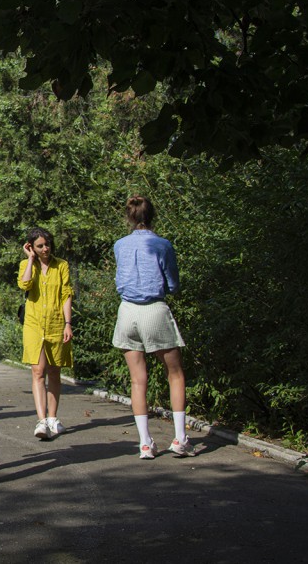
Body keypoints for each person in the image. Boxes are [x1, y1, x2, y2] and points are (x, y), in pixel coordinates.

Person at [113, 195, 195, 459]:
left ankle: (145, 444)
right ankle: (180, 439)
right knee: (175, 373)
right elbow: (172, 283)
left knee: (138, 380)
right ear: (152, 215)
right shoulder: (162, 244)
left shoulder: (120, 245)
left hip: (126, 312)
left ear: (129, 216)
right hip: (154, 310)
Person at [18, 227, 74, 440]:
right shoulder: (26, 265)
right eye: (40, 246)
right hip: (33, 324)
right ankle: (41, 420)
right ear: (31, 247)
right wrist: (31, 260)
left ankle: (53, 418)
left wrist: (68, 323)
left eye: (47, 244)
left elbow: (66, 294)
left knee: (54, 371)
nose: (45, 249)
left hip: (56, 323)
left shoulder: (61, 266)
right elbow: (24, 284)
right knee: (37, 371)